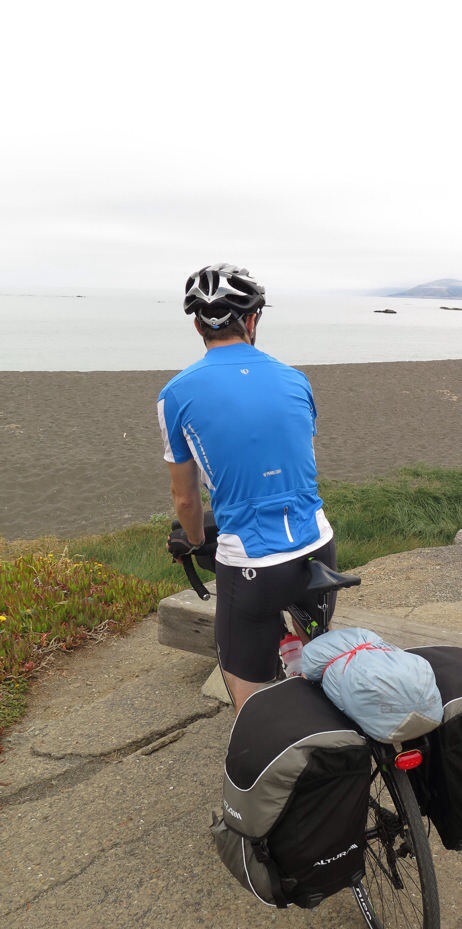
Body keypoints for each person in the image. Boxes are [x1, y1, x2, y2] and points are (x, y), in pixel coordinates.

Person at [157, 264, 335, 712]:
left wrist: (196, 541)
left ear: (198, 325)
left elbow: (185, 499)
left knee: (250, 702)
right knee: (318, 662)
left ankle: (266, 750)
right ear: (253, 320)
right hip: (317, 544)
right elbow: (301, 463)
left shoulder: (175, 394)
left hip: (252, 562)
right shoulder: (297, 379)